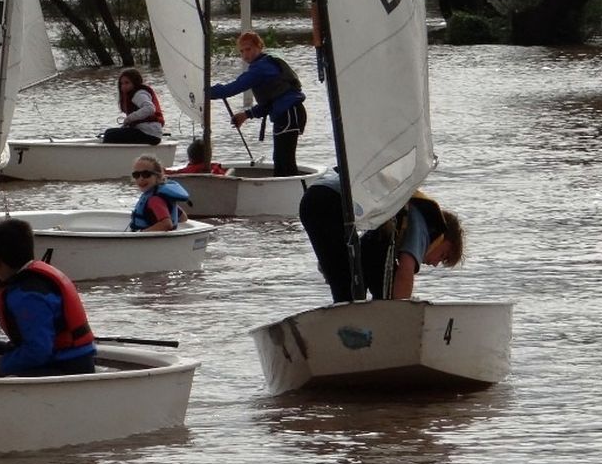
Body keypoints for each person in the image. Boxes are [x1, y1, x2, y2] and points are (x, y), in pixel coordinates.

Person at [298, 174, 465, 302]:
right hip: (332, 200)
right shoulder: (428, 225)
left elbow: (362, 253)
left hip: (313, 198)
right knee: (357, 288)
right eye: (443, 256)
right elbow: (406, 269)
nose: (435, 264)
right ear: (443, 237)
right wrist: (401, 315)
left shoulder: (393, 225)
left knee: (351, 288)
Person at [0, 218, 97, 378]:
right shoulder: (33, 281)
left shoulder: (26, 295)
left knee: (3, 371)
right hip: (63, 357)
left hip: (68, 368)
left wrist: (4, 365)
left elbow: (39, 350)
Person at [205, 31, 306, 176]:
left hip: (290, 113)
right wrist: (246, 115)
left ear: (259, 47)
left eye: (249, 49)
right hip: (286, 114)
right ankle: (287, 191)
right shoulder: (262, 65)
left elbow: (232, 88)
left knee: (284, 161)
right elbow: (269, 103)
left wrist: (204, 92)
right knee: (280, 160)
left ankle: (293, 194)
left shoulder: (261, 68)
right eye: (242, 51)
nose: (245, 55)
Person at [101, 67, 165, 145]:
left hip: (150, 134)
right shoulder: (132, 94)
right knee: (109, 132)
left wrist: (129, 118)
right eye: (121, 83)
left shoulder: (139, 94)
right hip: (146, 132)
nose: (123, 86)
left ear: (135, 83)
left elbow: (150, 108)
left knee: (109, 135)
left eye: (127, 83)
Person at [128, 154, 192, 231]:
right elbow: (183, 218)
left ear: (158, 177)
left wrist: (142, 233)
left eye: (146, 174)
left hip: (149, 241)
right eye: (136, 175)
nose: (141, 178)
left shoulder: (154, 200)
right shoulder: (159, 196)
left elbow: (167, 224)